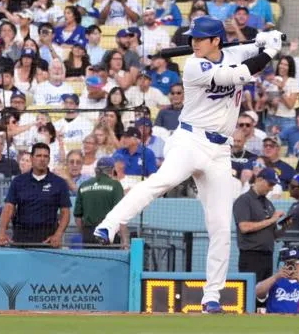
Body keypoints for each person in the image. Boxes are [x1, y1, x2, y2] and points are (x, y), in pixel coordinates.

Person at [93, 17, 283, 313]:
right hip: (189, 141)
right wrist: (269, 52)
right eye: (193, 37)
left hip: (220, 149)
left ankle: (212, 296)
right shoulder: (195, 65)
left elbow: (248, 51)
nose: (193, 42)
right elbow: (244, 73)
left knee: (220, 225)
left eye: (200, 38)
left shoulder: (232, 52)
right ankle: (109, 224)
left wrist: (262, 39)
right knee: (161, 182)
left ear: (216, 40)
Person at [0, 142, 71, 247]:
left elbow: (65, 212)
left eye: (45, 156)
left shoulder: (59, 183)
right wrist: (2, 232)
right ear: (31, 158)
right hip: (21, 238)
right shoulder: (18, 181)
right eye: (38, 156)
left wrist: (58, 235)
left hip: (48, 240)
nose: (42, 159)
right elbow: (9, 207)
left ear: (49, 159)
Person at [233, 168, 284, 299]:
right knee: (249, 295)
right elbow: (244, 227)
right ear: (259, 180)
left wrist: (285, 227)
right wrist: (271, 220)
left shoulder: (268, 203)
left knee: (264, 296)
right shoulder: (244, 200)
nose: (271, 189)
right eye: (270, 184)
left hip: (267, 255)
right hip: (251, 255)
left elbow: (274, 236)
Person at [255, 247, 299, 314]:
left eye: (296, 263)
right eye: (289, 263)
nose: (292, 266)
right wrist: (276, 277)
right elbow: (257, 292)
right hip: (276, 321)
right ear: (284, 265)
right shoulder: (275, 281)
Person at [74, 157, 128, 247]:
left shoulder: (84, 185)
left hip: (89, 234)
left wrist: (84, 234)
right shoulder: (115, 185)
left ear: (96, 170)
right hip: (108, 232)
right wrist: (125, 240)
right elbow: (120, 215)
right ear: (112, 170)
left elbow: (77, 217)